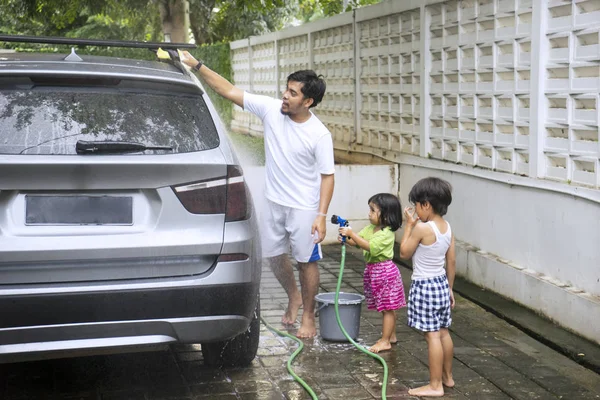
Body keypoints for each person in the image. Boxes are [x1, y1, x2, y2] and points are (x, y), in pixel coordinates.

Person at [179, 52, 335, 338]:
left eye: (292, 93)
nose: (284, 96)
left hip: (304, 208)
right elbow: (227, 90)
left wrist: (321, 216)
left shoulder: (319, 135)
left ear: (308, 101)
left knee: (306, 261)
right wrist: (196, 65)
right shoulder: (271, 109)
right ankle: (293, 297)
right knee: (274, 255)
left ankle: (309, 317)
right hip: (273, 201)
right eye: (286, 89)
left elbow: (328, 177)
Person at [399, 177, 456, 397]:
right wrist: (450, 288)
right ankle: (447, 378)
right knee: (443, 332)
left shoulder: (423, 228)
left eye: (416, 206)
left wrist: (409, 226)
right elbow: (451, 261)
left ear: (426, 205)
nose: (415, 210)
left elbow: (404, 253)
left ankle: (434, 386)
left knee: (431, 336)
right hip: (441, 285)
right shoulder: (448, 228)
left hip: (424, 286)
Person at [338, 193, 407, 353]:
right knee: (385, 307)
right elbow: (357, 242)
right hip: (374, 272)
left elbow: (371, 247)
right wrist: (345, 237)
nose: (369, 213)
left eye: (372, 210)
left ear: (386, 214)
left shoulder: (386, 233)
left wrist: (352, 234)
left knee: (388, 307)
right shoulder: (370, 229)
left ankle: (385, 341)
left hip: (385, 273)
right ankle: (392, 336)